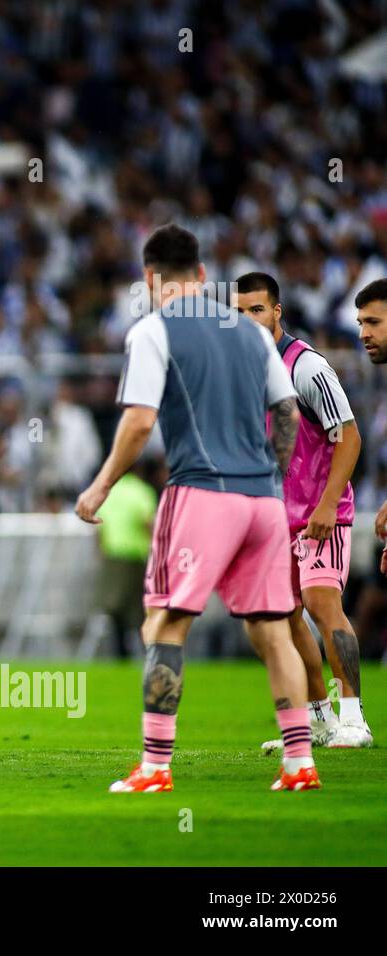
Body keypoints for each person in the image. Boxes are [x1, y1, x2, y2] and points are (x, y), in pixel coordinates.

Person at [76, 224, 318, 792]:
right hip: (262, 499)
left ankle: (156, 768)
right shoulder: (251, 332)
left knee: (165, 621)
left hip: (201, 492)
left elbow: (138, 422)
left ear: (149, 278)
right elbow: (287, 411)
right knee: (271, 631)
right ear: (204, 276)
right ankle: (299, 762)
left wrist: (101, 487)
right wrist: (272, 476)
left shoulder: (153, 330)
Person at [236, 272, 372, 750]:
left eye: (256, 310)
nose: (248, 320)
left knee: (320, 604)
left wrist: (329, 503)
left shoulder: (307, 367)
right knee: (284, 615)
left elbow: (349, 436)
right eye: (239, 312)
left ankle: (354, 718)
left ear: (276, 311)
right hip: (275, 517)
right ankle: (319, 721)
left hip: (321, 512)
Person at [93, 458, 161, 659]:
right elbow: (148, 523)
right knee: (140, 609)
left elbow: (100, 526)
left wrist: (100, 552)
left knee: (115, 608)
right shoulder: (141, 491)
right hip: (135, 557)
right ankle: (148, 652)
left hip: (112, 555)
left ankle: (121, 653)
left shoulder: (108, 492)